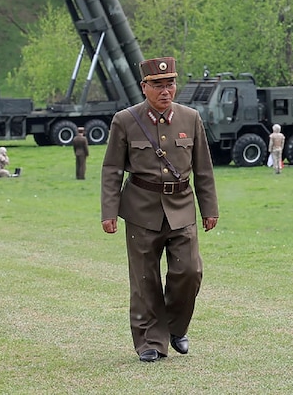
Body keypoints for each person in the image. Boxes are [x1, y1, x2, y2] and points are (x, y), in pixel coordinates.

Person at [101, 57, 218, 363]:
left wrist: (210, 208)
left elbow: (203, 168)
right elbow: (112, 168)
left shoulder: (191, 118)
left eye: (170, 84)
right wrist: (109, 211)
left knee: (190, 271)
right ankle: (150, 343)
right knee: (144, 280)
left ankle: (176, 328)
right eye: (158, 85)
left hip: (182, 208)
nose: (166, 91)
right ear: (144, 87)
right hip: (141, 209)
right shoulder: (124, 120)